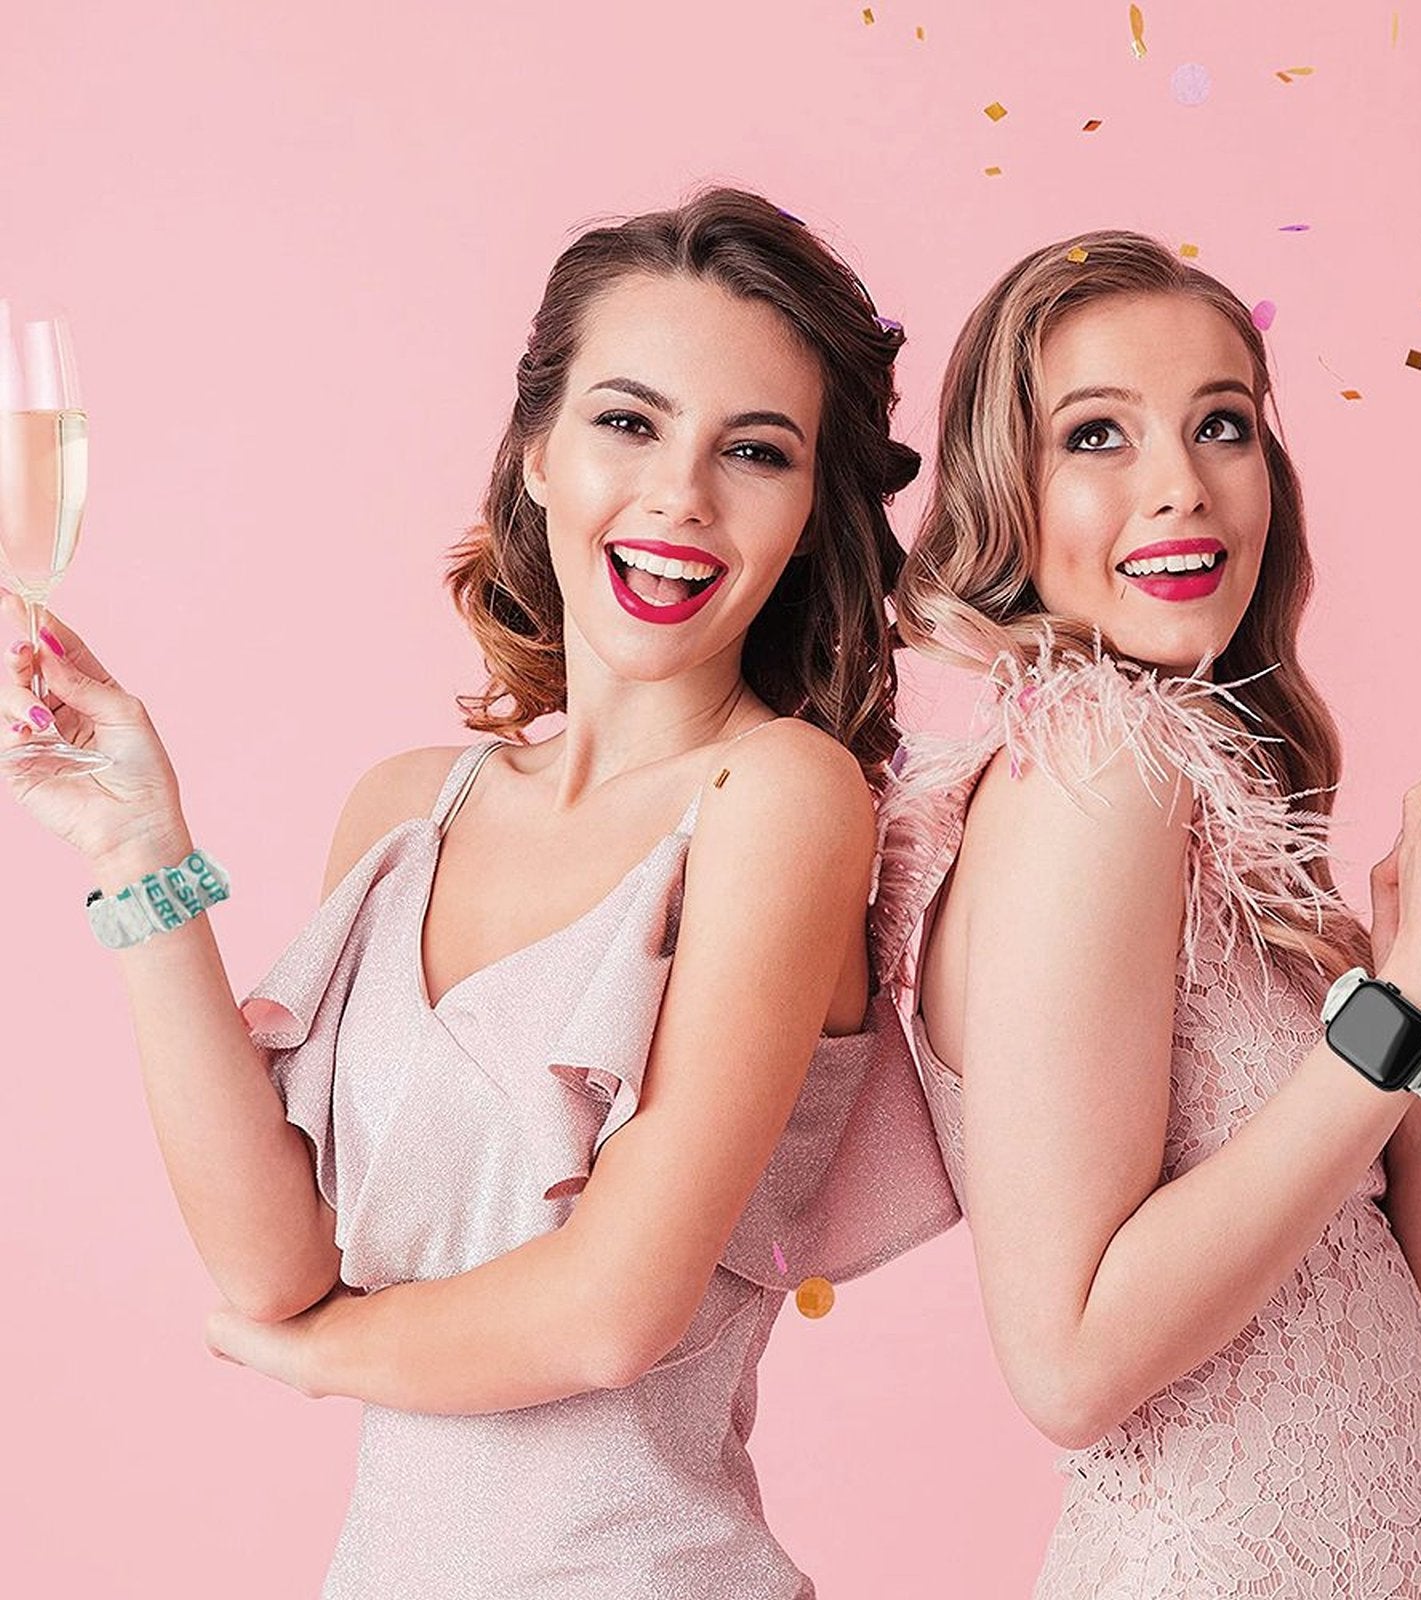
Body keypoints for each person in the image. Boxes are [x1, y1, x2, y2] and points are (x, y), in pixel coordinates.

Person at [0, 188, 958, 1599]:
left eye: (754, 452)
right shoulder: (404, 813)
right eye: (627, 423)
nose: (679, 498)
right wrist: (143, 853)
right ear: (534, 455)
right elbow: (272, 1262)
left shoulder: (785, 800)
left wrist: (313, 1357)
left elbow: (609, 1316)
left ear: (813, 511)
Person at [873, 230, 1421, 1597]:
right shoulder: (1096, 763)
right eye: (1098, 435)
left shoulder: (1192, 789)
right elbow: (1071, 1365)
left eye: (1224, 424)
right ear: (1004, 495)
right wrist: (1404, 1009)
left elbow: (1385, 1342)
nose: (1182, 489)